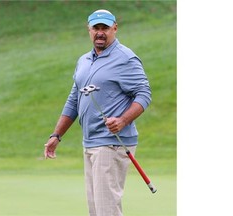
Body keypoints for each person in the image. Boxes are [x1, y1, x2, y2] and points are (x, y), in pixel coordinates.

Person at [44, 9, 152, 216]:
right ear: (89, 30)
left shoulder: (125, 58)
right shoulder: (84, 60)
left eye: (105, 28)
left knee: (106, 210)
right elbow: (74, 100)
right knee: (97, 211)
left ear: (115, 28)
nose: (100, 33)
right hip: (91, 142)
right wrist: (56, 135)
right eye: (96, 28)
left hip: (112, 143)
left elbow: (144, 94)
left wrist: (122, 120)